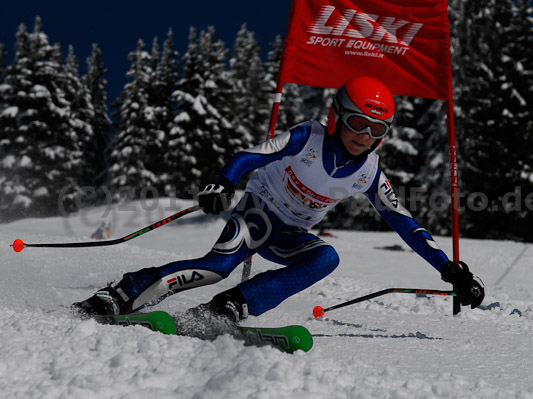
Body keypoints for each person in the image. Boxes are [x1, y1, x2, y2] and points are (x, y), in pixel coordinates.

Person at [73, 76, 484, 336]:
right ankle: (121, 295)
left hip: (291, 235)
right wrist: (224, 181)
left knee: (327, 257)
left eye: (376, 129)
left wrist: (449, 269)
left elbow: (405, 224)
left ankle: (231, 307)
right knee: (217, 266)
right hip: (257, 215)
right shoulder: (307, 137)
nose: (365, 135)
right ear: (337, 116)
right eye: (358, 122)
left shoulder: (370, 173)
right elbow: (250, 155)